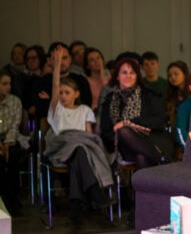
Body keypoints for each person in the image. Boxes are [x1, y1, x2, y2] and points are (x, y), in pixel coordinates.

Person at [43, 45, 114, 225]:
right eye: (60, 93)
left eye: (67, 93)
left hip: (80, 152)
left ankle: (75, 207)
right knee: (80, 148)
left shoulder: (85, 110)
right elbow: (55, 83)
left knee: (81, 152)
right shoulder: (56, 110)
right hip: (61, 148)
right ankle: (95, 193)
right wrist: (57, 63)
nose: (63, 96)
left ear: (77, 94)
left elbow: (89, 137)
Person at [100, 58, 174, 170]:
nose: (128, 76)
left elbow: (160, 121)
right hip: (122, 145)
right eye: (124, 72)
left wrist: (130, 123)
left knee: (141, 157)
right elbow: (106, 129)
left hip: (152, 141)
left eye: (132, 72)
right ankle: (162, 159)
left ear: (137, 76)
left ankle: (142, 188)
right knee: (123, 131)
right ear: (117, 76)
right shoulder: (110, 99)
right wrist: (122, 132)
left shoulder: (148, 95)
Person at [0, 70, 23, 216]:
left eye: (9, 84)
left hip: (11, 139)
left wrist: (7, 145)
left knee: (13, 157)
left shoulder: (15, 101)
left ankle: (13, 201)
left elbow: (15, 125)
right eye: (4, 84)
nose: (8, 87)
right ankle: (3, 200)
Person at [166, 60, 191, 129]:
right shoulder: (171, 94)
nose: (172, 77)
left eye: (176, 74)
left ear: (185, 74)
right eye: (170, 75)